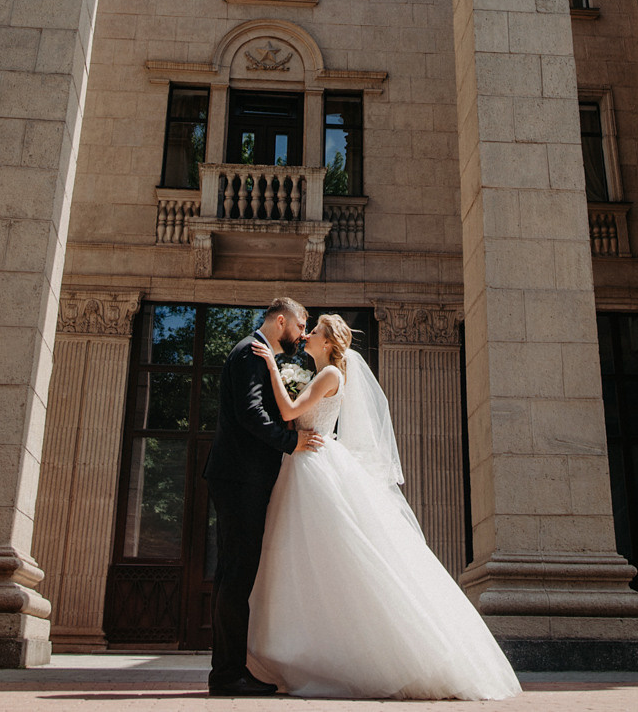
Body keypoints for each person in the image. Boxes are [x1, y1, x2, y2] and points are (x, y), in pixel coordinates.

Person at [245, 313, 520, 701]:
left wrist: (271, 365)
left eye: (315, 332)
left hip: (313, 465)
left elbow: (290, 412)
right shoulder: (322, 374)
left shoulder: (329, 375)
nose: (306, 336)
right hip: (303, 463)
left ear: (328, 343)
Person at [204, 298, 324, 698]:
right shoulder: (251, 352)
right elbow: (251, 414)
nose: (303, 333)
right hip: (240, 478)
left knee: (233, 574)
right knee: (236, 575)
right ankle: (227, 675)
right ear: (280, 320)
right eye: (301, 324)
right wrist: (291, 442)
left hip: (241, 477)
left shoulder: (259, 353)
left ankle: (227, 670)